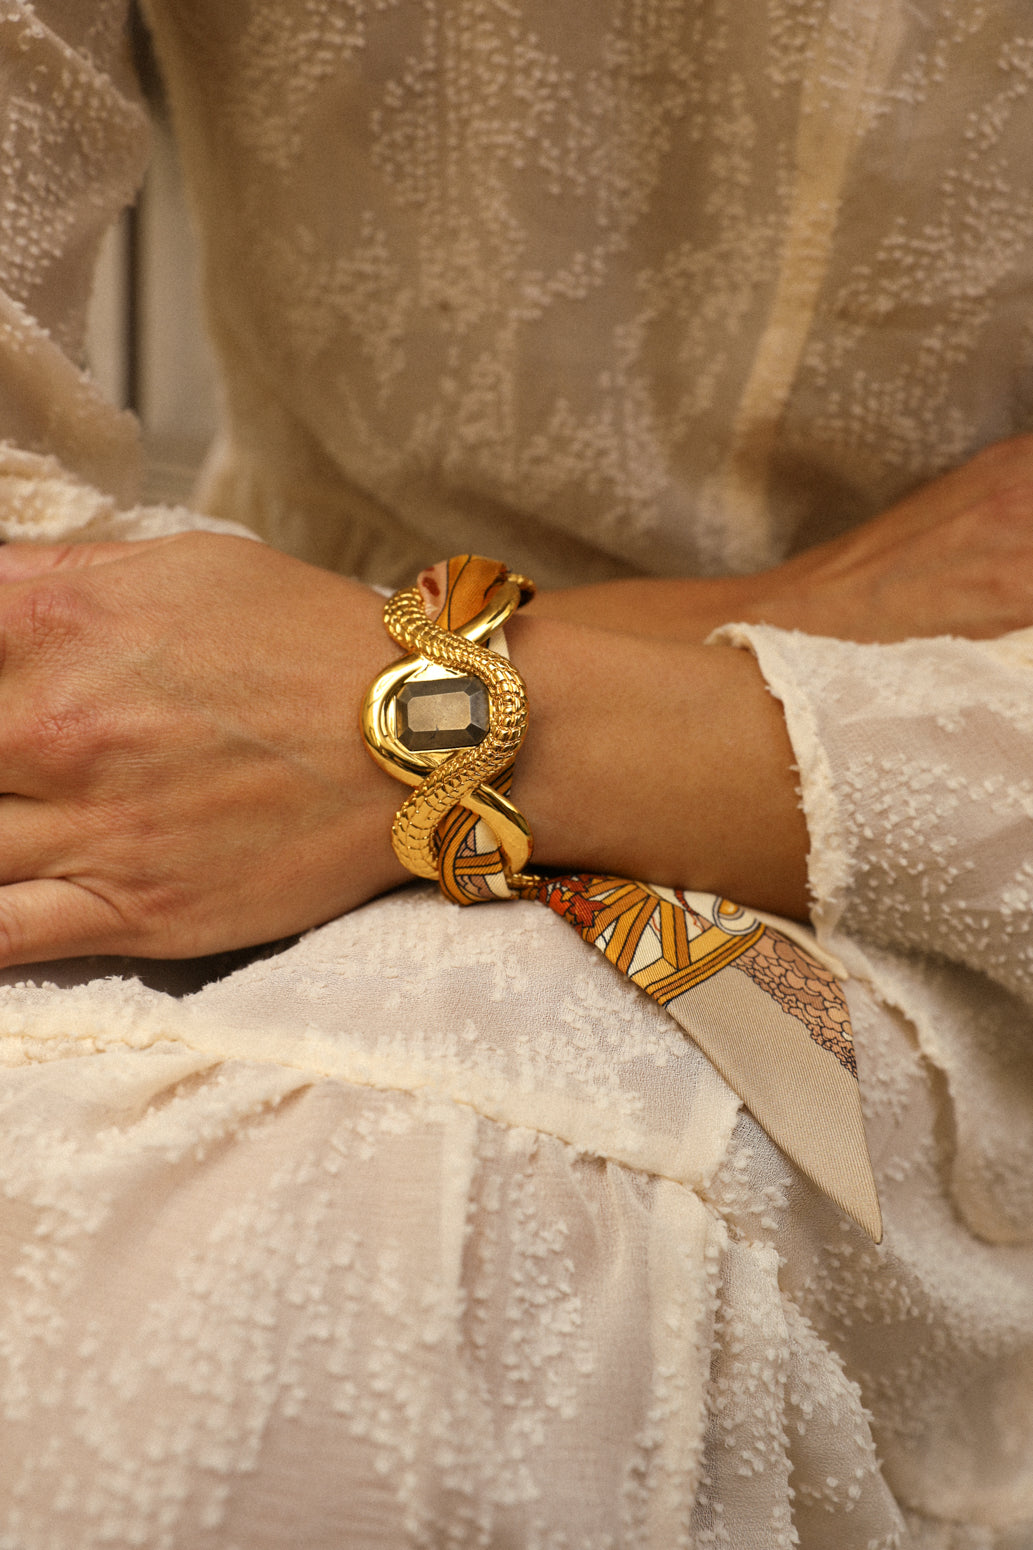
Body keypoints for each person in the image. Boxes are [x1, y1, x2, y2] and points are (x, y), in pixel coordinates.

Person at [0, 2, 1031, 1545]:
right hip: (205, 749)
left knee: (386, 1247)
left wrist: (393, 698)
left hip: (956, 811)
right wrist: (717, 636)